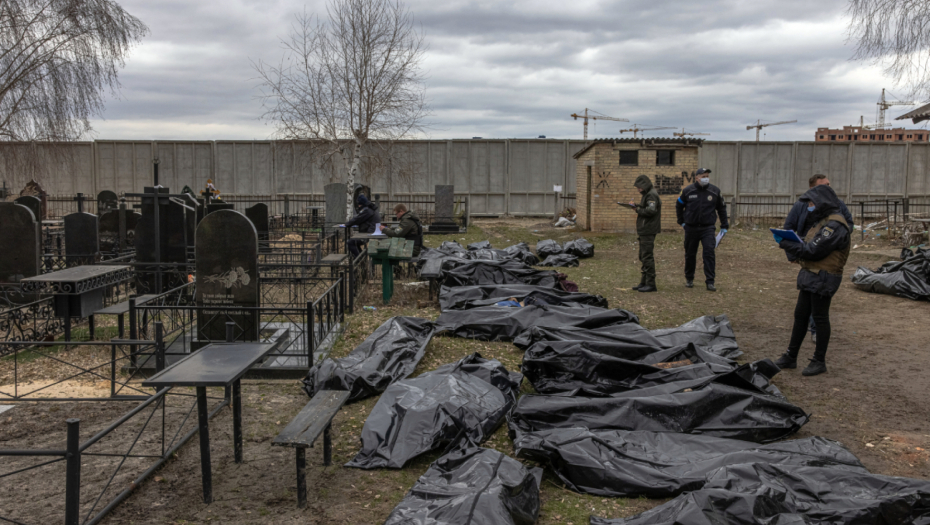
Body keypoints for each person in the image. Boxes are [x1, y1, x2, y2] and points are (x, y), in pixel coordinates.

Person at [773, 184, 851, 377]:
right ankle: (791, 356)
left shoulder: (835, 226)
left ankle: (819, 361)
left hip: (824, 277)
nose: (810, 206)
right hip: (812, 275)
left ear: (822, 203)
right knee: (800, 315)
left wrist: (786, 244)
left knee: (820, 318)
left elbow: (813, 251)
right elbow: (810, 248)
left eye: (812, 203)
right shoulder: (824, 222)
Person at [783, 174, 855, 344]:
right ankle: (791, 354)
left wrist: (835, 239)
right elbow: (790, 228)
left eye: (829, 185)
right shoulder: (803, 206)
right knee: (801, 313)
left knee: (819, 313)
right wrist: (792, 253)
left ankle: (817, 349)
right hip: (808, 264)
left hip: (824, 268)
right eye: (824, 186)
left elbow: (847, 225)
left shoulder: (835, 217)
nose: (829, 189)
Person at [676, 168, 728, 291]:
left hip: (708, 228)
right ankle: (689, 278)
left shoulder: (714, 191)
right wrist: (682, 221)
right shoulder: (688, 191)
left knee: (709, 254)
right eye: (703, 176)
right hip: (691, 228)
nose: (706, 178)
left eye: (707, 176)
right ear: (697, 178)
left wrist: (724, 225)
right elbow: (679, 205)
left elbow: (722, 209)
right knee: (690, 254)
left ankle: (710, 281)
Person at [623, 175, 661, 292]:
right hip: (645, 229)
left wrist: (637, 210)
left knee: (647, 256)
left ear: (644, 185)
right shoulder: (647, 194)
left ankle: (651, 284)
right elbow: (647, 207)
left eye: (639, 187)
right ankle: (644, 282)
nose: (638, 189)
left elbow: (651, 210)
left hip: (648, 229)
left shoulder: (651, 195)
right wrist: (637, 206)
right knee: (643, 256)